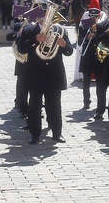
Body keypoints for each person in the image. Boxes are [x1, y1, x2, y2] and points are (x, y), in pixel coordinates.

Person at [16, 8, 73, 144]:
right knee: (34, 106)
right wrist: (35, 39)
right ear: (38, 18)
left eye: (48, 15)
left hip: (54, 74)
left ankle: (57, 133)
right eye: (42, 16)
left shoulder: (60, 30)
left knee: (54, 106)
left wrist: (64, 45)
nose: (45, 19)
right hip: (35, 74)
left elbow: (69, 51)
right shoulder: (29, 30)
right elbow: (21, 48)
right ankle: (35, 134)